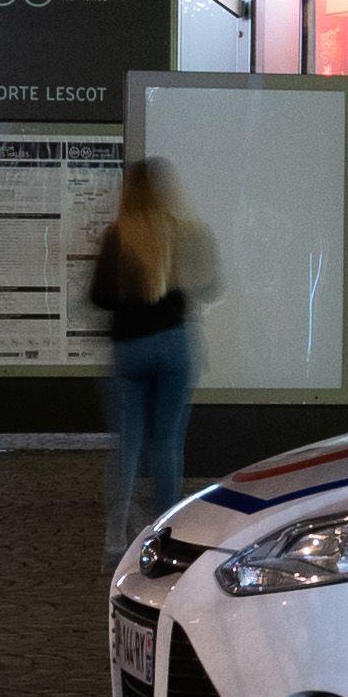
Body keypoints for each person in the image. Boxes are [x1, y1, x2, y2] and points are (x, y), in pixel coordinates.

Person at [92, 158, 217, 554]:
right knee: (167, 444)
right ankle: (166, 533)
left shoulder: (118, 235)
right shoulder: (182, 231)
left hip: (130, 348)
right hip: (175, 345)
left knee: (127, 445)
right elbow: (208, 286)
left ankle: (115, 537)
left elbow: (99, 295)